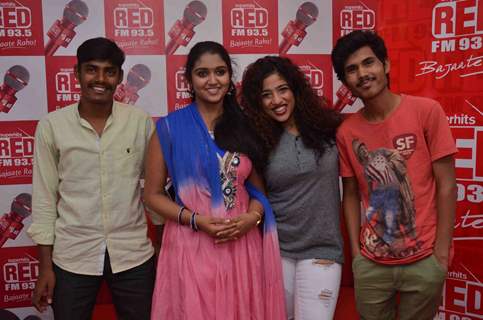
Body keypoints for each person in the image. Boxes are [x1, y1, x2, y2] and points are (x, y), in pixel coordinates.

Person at [144, 41, 286, 320]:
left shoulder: (245, 125)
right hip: (189, 243)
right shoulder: (169, 128)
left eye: (220, 72)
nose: (212, 80)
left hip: (240, 244)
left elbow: (257, 189)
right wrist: (196, 220)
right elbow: (152, 195)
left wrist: (252, 219)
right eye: (202, 73)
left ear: (230, 79)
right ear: (189, 79)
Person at [28, 37, 158, 320]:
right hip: (72, 255)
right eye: (91, 69)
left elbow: (155, 191)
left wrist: (163, 247)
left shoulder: (140, 122)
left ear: (120, 77)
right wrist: (46, 267)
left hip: (132, 254)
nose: (100, 79)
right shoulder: (52, 127)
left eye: (109, 71)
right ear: (77, 73)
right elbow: (44, 200)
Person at [332, 30, 457, 320]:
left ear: (385, 65)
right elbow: (350, 195)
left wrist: (440, 254)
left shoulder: (426, 111)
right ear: (345, 81)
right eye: (352, 69)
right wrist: (357, 256)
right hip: (372, 263)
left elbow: (447, 186)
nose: (362, 74)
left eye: (368, 63)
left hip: (425, 259)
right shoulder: (347, 132)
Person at [241, 56, 344, 320]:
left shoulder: (328, 128)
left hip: (323, 249)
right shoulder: (256, 140)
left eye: (282, 89)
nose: (277, 100)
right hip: (276, 251)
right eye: (266, 94)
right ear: (257, 101)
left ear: (295, 89)